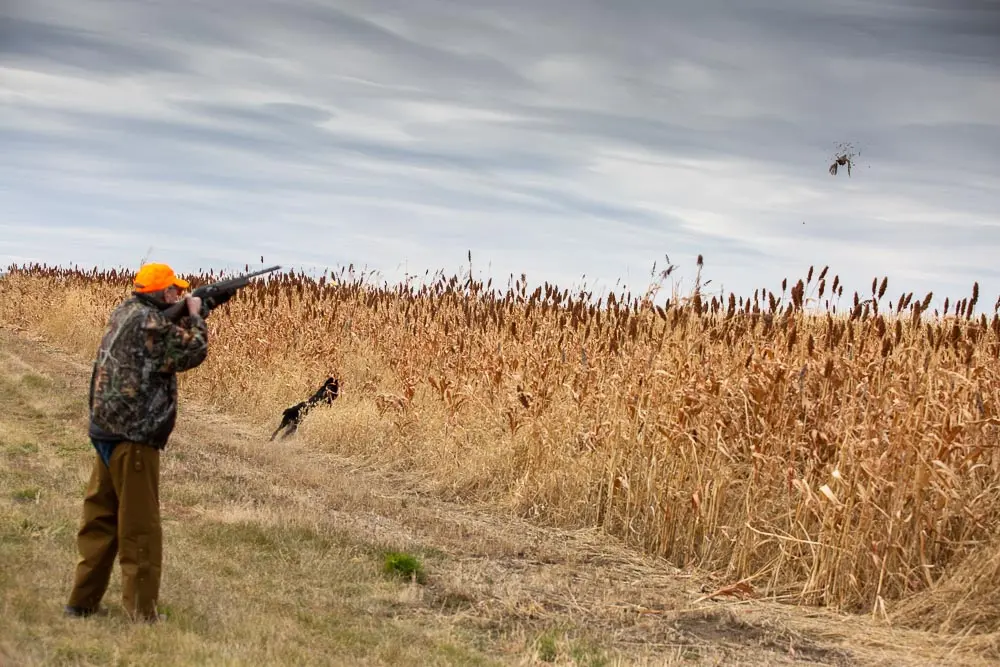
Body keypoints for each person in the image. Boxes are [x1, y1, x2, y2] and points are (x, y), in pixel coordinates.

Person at [65, 262, 209, 623]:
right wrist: (196, 317)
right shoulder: (153, 323)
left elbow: (157, 342)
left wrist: (195, 309)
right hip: (134, 437)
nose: (180, 294)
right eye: (175, 290)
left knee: (99, 520)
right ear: (164, 294)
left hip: (105, 430)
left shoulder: (126, 312)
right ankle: (142, 614)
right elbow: (193, 352)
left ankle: (80, 603)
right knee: (139, 527)